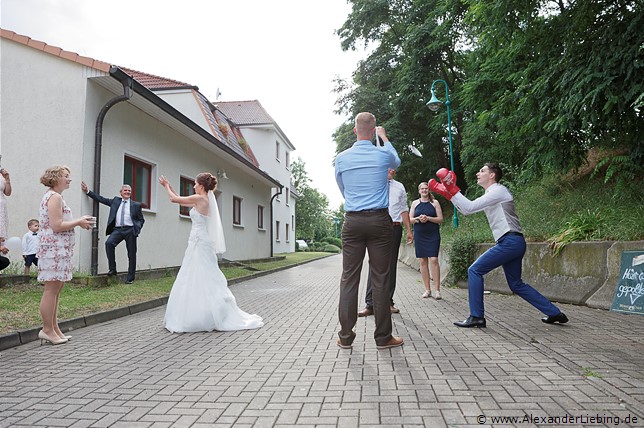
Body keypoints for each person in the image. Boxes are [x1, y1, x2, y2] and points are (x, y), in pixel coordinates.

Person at [429, 163, 569, 327]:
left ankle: (477, 317)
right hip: (513, 242)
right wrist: (449, 193)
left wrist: (451, 189)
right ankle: (555, 313)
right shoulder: (492, 193)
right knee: (516, 284)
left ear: (492, 175)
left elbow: (470, 206)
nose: (477, 173)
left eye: (482, 171)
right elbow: (467, 210)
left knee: (474, 270)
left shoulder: (498, 191)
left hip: (509, 242)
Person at [159, 172, 264, 333]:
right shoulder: (201, 199)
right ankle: (202, 313)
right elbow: (179, 198)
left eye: (195, 183)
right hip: (198, 241)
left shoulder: (200, 199)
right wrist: (169, 185)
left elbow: (174, 199)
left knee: (199, 276)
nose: (193, 185)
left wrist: (165, 186)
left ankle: (202, 315)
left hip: (199, 242)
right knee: (198, 276)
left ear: (201, 185)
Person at [334, 112, 404, 350]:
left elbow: (342, 189)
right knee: (381, 278)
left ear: (355, 130)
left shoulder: (341, 159)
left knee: (349, 278)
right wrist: (384, 138)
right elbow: (397, 161)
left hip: (352, 221)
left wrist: (355, 203)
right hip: (379, 220)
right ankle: (383, 338)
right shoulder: (383, 154)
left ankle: (345, 337)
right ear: (374, 131)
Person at [37, 166, 95, 345]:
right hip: (53, 250)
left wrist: (79, 222)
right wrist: (78, 222)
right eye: (66, 176)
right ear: (56, 178)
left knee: (56, 290)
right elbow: (56, 225)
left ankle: (54, 328)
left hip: (58, 249)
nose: (69, 179)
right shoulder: (54, 197)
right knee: (51, 290)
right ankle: (47, 329)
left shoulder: (55, 196)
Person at [359, 168, 413, 317]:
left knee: (390, 266)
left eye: (394, 167)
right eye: (389, 166)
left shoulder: (399, 186)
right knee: (374, 264)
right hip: (376, 227)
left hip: (394, 228)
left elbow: (404, 209)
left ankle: (388, 302)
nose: (392, 170)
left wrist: (409, 230)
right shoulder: (374, 183)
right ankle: (370, 304)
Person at [81, 181, 145, 284]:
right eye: (125, 190)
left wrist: (136, 229)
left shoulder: (136, 205)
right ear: (121, 192)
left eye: (129, 191)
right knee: (109, 243)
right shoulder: (116, 201)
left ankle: (130, 278)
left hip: (130, 230)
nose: (127, 192)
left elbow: (141, 219)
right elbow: (102, 199)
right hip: (118, 230)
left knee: (131, 254)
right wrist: (88, 192)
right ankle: (113, 269)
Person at [410, 182, 443, 300]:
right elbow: (410, 219)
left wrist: (428, 218)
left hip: (433, 234)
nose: (424, 190)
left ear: (429, 190)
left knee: (433, 259)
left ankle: (437, 290)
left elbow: (440, 219)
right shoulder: (414, 203)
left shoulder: (435, 203)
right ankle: (427, 289)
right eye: (422, 189)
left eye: (426, 188)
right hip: (420, 235)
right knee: (423, 261)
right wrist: (418, 219)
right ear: (419, 191)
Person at [0, 167, 12, 272]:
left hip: (1, 207)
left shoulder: (1, 176)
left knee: (1, 232)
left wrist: (7, 179)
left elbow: (7, 193)